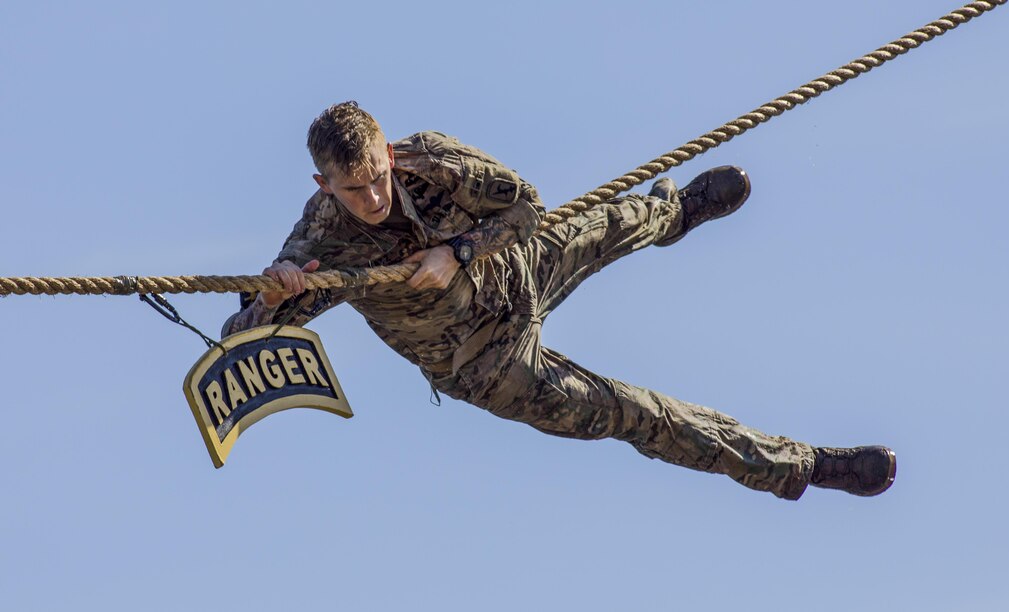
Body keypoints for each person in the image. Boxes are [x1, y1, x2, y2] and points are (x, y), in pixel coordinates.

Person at [222, 101, 896, 500]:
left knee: (613, 219)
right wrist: (276, 294)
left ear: (387, 154)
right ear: (323, 182)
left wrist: (454, 252)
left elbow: (527, 209)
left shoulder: (431, 159)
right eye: (352, 190)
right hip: (488, 364)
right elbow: (243, 334)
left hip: (514, 271)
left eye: (376, 180)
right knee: (638, 414)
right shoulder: (324, 234)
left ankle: (676, 212)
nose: (370, 199)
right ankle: (803, 465)